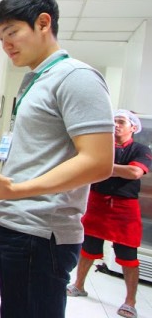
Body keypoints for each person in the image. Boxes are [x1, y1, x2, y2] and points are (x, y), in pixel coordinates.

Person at [0, 0, 114, 318]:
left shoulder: (76, 78)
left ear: (43, 23)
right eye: (0, 37)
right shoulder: (34, 81)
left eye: (12, 32)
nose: (5, 44)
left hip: (40, 236)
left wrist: (15, 191)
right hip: (18, 228)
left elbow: (98, 162)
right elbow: (29, 158)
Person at [67, 109, 152, 318]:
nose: (116, 125)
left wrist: (101, 166)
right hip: (97, 203)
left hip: (125, 208)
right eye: (113, 121)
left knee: (128, 256)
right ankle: (79, 285)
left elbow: (135, 172)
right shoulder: (103, 146)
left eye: (121, 122)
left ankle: (130, 301)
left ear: (133, 127)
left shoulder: (141, 150)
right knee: (87, 248)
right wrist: (108, 167)